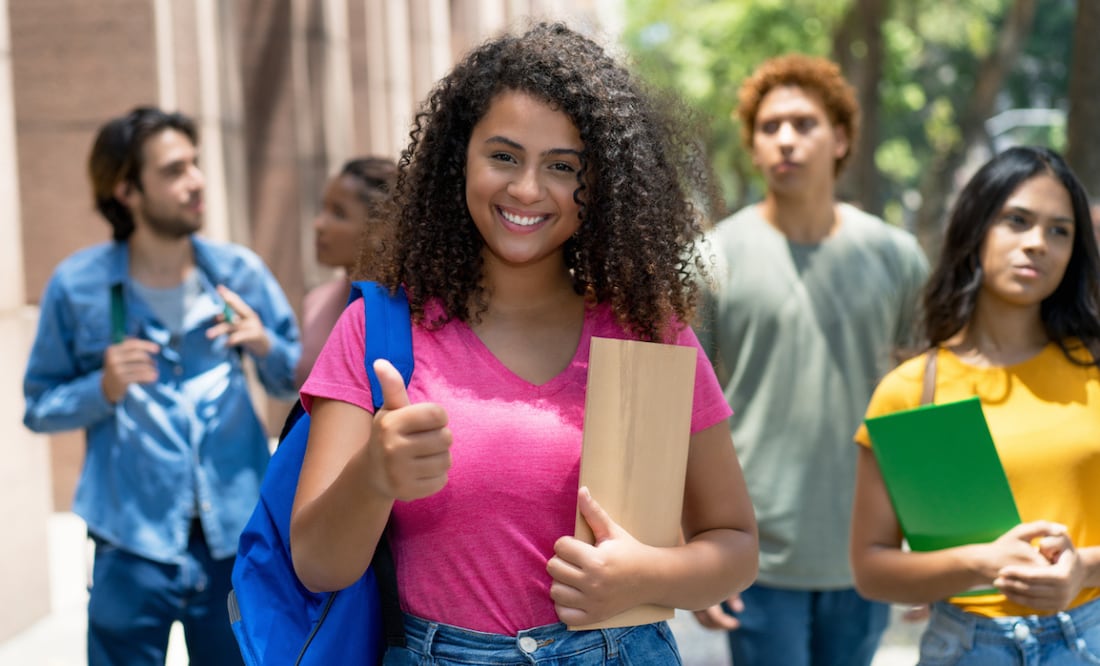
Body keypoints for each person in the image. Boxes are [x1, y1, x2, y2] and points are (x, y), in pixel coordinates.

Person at [288, 21, 759, 664]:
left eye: (563, 167)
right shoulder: (377, 330)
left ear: (603, 188)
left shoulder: (650, 333)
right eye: (504, 156)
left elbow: (734, 543)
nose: (528, 189)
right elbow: (317, 565)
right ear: (460, 158)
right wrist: (375, 475)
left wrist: (644, 577)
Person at [22, 106, 301, 666]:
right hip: (130, 544)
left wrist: (264, 345)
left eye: (195, 164)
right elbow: (39, 407)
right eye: (174, 171)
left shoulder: (238, 273)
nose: (196, 181)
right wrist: (101, 387)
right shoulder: (79, 286)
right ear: (127, 190)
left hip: (235, 537)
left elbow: (297, 381)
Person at [694, 53, 930, 665]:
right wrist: (692, 545)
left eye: (804, 123)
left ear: (842, 138)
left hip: (865, 550)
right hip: (755, 553)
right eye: (769, 128)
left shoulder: (896, 257)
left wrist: (932, 544)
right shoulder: (711, 259)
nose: (786, 140)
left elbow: (925, 403)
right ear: (752, 146)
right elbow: (681, 411)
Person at [850, 145, 1100, 664]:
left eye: (1060, 230)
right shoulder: (910, 389)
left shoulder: (1095, 370)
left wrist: (1083, 571)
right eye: (1017, 221)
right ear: (976, 227)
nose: (1038, 243)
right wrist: (980, 563)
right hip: (966, 647)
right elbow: (871, 568)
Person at [295, 156, 397, 387]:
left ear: (381, 227)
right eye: (323, 208)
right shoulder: (316, 302)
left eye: (339, 213)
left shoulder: (408, 309)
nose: (319, 224)